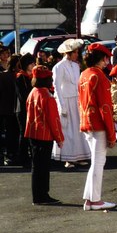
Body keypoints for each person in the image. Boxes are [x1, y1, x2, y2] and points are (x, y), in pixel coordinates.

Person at [79, 44, 117, 211]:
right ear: (102, 58)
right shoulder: (99, 76)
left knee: (95, 162)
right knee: (98, 162)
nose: (107, 61)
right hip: (99, 124)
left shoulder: (84, 74)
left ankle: (90, 199)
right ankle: (95, 200)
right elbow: (106, 107)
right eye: (106, 58)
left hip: (87, 122)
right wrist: (111, 133)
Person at [25, 65, 64, 205]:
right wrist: (59, 138)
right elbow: (54, 120)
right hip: (45, 135)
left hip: (32, 133)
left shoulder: (33, 92)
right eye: (49, 78)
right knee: (43, 167)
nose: (51, 80)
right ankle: (43, 195)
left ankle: (37, 196)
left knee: (36, 166)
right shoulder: (47, 96)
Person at [51, 38, 90, 167]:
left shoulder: (75, 66)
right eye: (75, 52)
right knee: (67, 129)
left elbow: (78, 84)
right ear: (69, 53)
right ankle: (68, 158)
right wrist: (61, 105)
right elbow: (56, 86)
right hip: (65, 100)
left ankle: (78, 156)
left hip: (76, 100)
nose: (77, 55)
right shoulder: (58, 67)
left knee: (78, 129)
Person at [14, 54, 36, 168]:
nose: (33, 65)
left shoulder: (32, 77)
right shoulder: (20, 77)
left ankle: (30, 155)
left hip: (31, 108)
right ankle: (22, 157)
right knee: (24, 133)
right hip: (21, 109)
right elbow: (22, 96)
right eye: (31, 63)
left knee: (30, 132)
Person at [0, 54, 20, 165]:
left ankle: (8, 154)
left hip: (5, 109)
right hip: (12, 109)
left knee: (9, 133)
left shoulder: (4, 76)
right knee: (13, 133)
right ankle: (11, 154)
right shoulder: (17, 76)